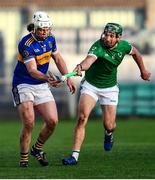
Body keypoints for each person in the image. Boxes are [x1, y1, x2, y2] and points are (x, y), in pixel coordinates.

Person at [62, 22, 151, 165]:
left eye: (111, 36)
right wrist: (80, 67)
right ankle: (74, 156)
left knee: (109, 125)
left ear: (118, 38)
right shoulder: (97, 46)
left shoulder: (124, 46)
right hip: (91, 86)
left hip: (109, 89)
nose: (107, 38)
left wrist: (143, 71)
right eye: (106, 34)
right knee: (82, 117)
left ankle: (109, 134)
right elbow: (88, 61)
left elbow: (136, 53)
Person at [12, 11, 76, 168]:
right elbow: (32, 70)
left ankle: (37, 149)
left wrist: (67, 77)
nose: (44, 32)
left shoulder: (51, 39)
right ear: (34, 28)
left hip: (40, 84)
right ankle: (24, 159)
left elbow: (58, 58)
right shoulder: (26, 44)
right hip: (23, 83)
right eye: (41, 29)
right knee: (29, 122)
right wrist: (49, 78)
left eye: (47, 29)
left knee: (53, 121)